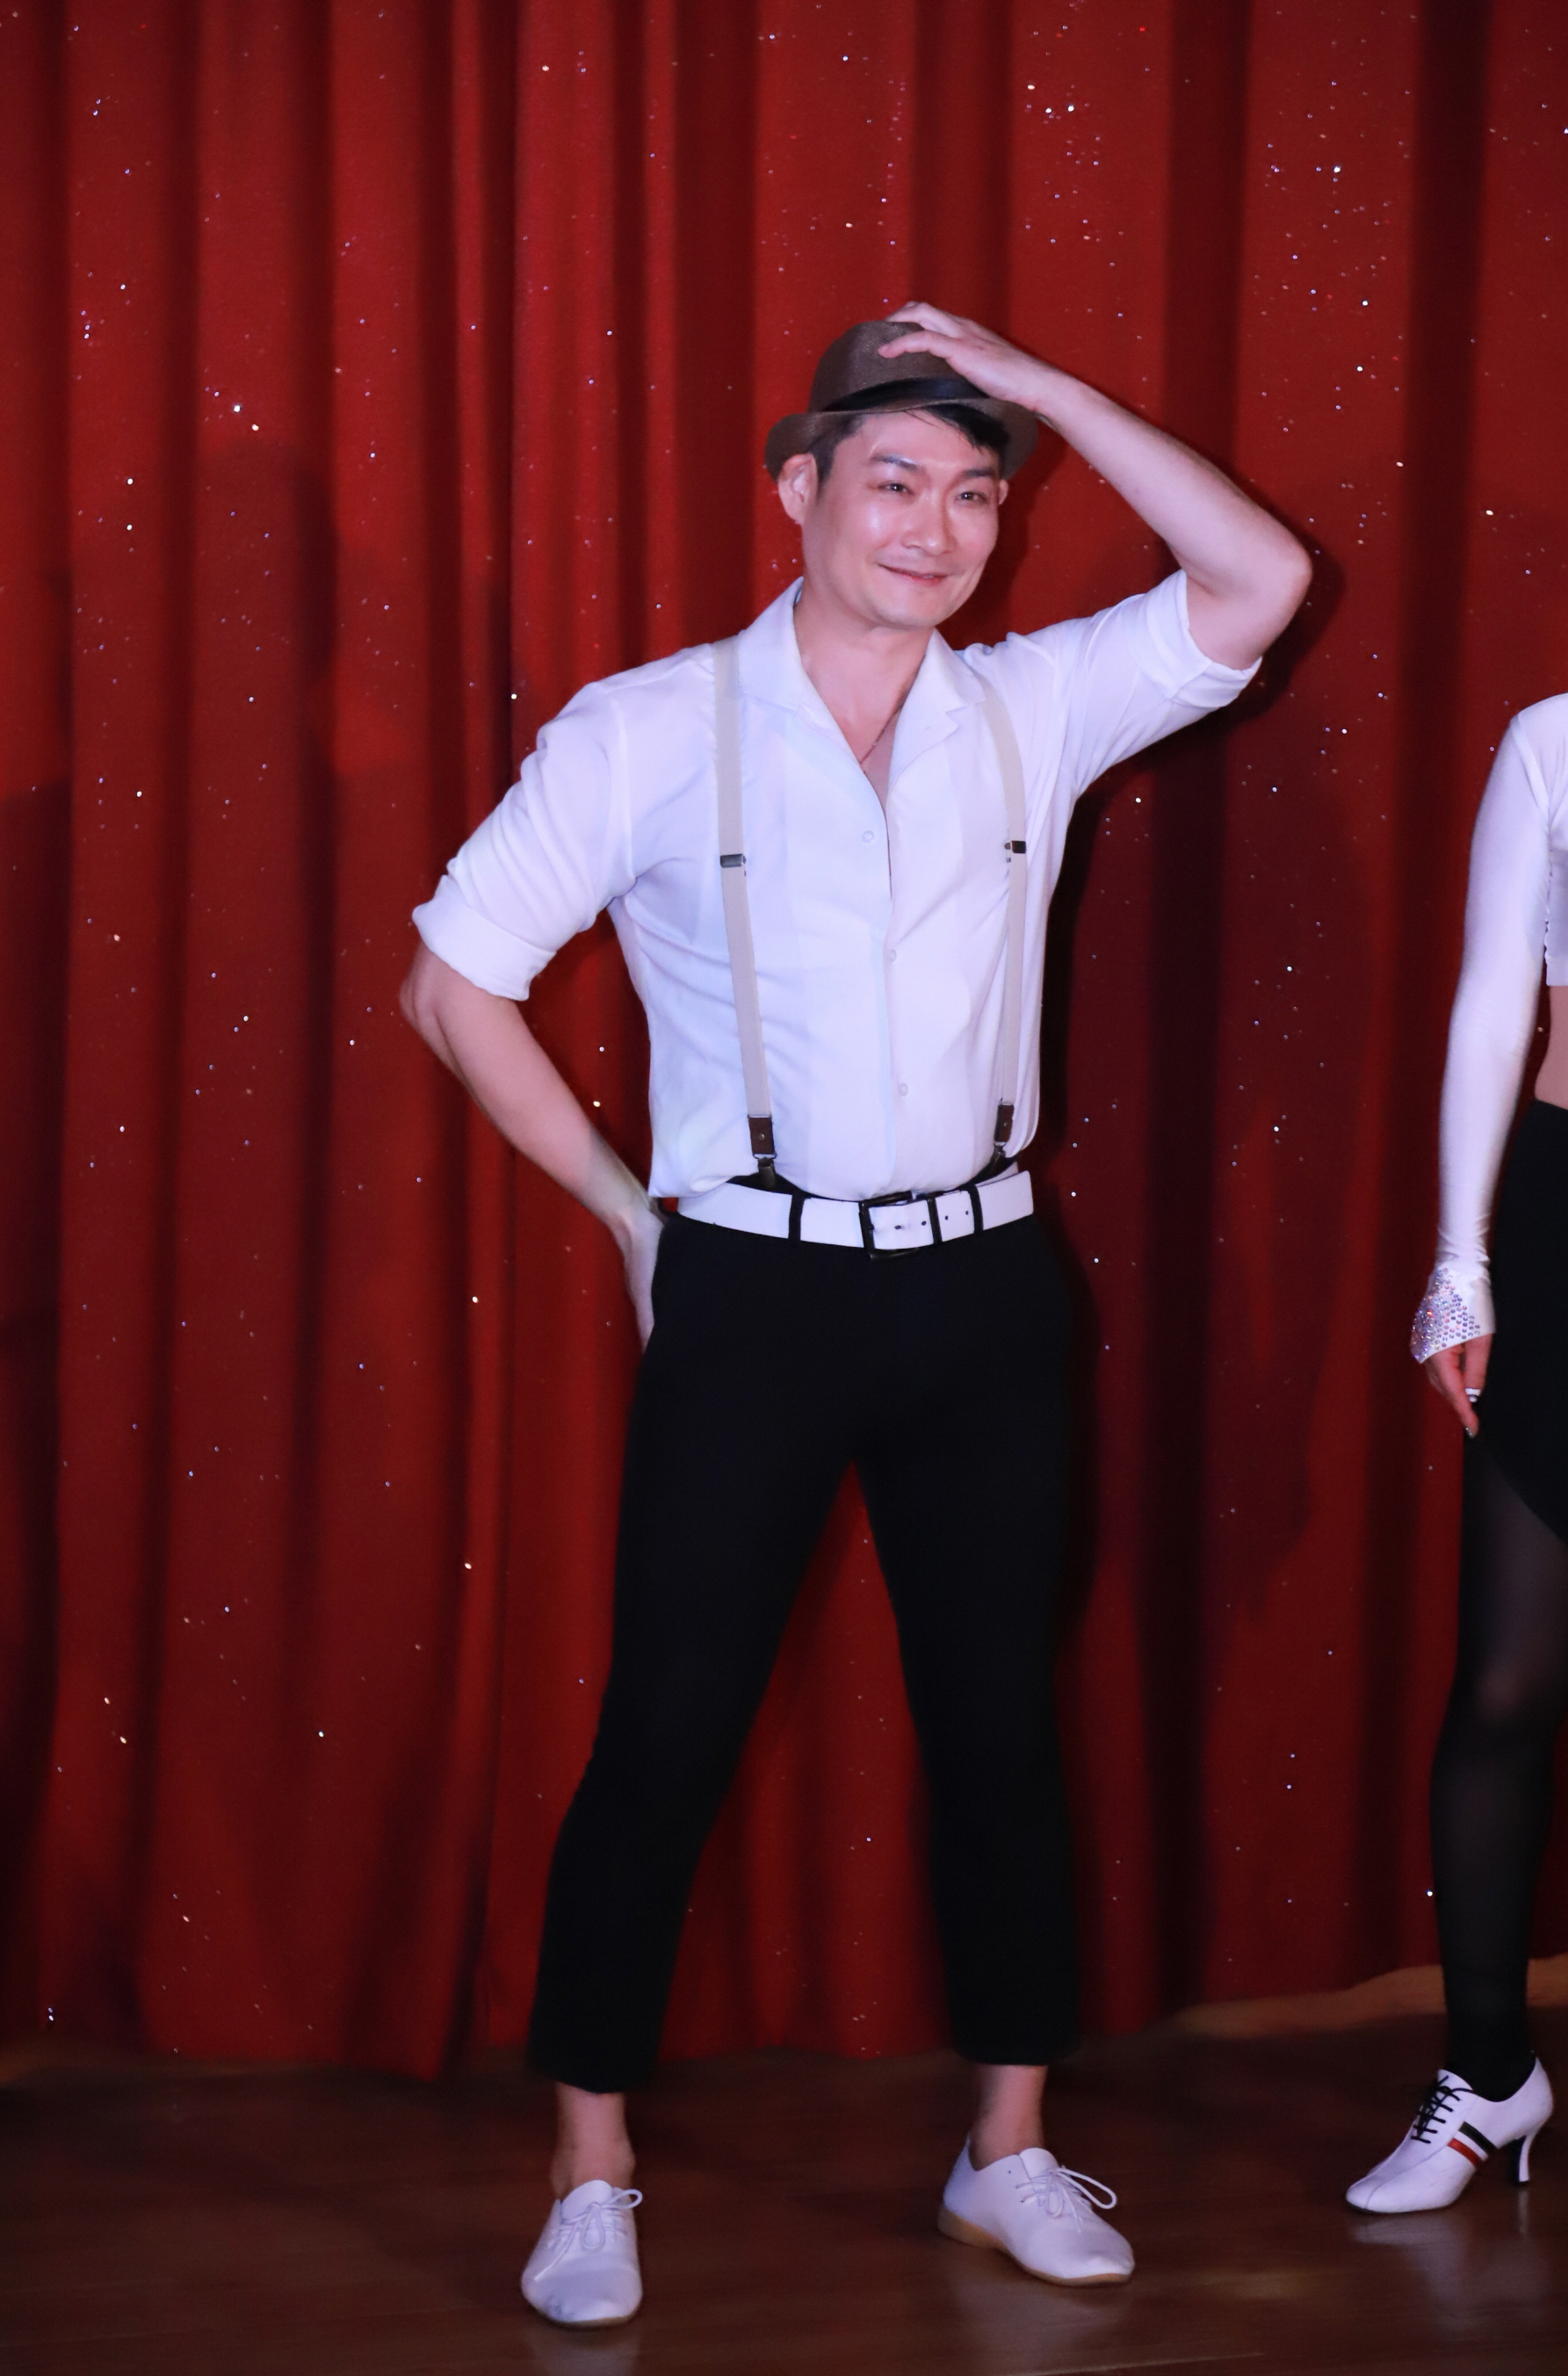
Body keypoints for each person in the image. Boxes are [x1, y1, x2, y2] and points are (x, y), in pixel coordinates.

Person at [402, 304, 1310, 2325]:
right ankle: (591, 2166)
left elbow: (1260, 579)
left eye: (977, 492)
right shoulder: (648, 727)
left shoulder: (1035, 703)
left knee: (999, 1728)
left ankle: (1008, 2145)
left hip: (986, 1285)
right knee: (667, 1728)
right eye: (895, 478)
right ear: (799, 488)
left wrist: (1051, 394)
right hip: (757, 1285)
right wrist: (631, 1218)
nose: (937, 526)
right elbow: (454, 980)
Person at [1348, 699, 1568, 2213]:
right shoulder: (1552, 739)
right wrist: (1460, 1259)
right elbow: (1496, 1001)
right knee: (1506, 1678)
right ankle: (1490, 2074)